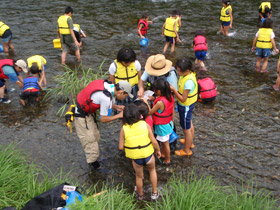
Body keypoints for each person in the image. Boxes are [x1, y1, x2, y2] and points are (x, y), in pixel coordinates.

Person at [72, 80, 133, 170]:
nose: (125, 98)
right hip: (81, 116)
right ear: (121, 92)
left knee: (96, 136)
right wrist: (119, 116)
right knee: (90, 140)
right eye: (125, 95)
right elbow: (103, 119)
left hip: (86, 111)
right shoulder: (105, 97)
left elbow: (98, 98)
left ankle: (94, 159)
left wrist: (116, 107)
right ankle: (94, 166)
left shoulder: (108, 85)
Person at [119, 103, 161, 200]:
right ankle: (154, 193)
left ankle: (140, 195)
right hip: (148, 155)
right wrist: (158, 150)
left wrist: (129, 147)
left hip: (136, 158)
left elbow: (120, 147)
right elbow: (154, 141)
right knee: (152, 171)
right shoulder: (144, 124)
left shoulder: (123, 129)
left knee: (139, 176)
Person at [170, 59, 198, 156]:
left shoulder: (188, 82)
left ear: (186, 70)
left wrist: (173, 89)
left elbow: (182, 98)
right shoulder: (189, 74)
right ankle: (189, 142)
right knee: (189, 123)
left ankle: (186, 150)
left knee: (186, 129)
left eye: (179, 71)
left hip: (186, 106)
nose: (178, 72)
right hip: (189, 105)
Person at [146, 79, 174, 165]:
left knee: (165, 144)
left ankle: (167, 160)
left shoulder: (159, 103)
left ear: (159, 91)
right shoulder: (169, 97)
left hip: (162, 126)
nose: (154, 92)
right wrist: (154, 98)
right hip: (168, 123)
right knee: (164, 142)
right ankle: (163, 154)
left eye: (155, 90)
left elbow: (150, 112)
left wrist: (145, 102)